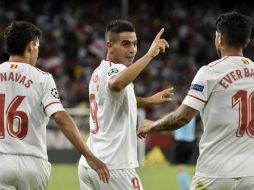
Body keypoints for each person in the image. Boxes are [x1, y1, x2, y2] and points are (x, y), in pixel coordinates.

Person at [138, 12, 254, 189]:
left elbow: (182, 118)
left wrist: (151, 126)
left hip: (215, 173)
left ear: (220, 39)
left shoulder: (210, 72)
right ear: (246, 42)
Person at [0, 21, 110, 190]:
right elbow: (60, 117)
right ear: (31, 46)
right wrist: (88, 155)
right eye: (37, 47)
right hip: (33, 164)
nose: (37, 52)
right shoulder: (42, 78)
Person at [78, 20, 172, 190]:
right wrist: (150, 55)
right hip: (113, 166)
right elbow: (116, 84)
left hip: (89, 164)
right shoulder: (115, 71)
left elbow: (117, 97)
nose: (132, 50)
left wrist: (149, 100)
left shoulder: (99, 71)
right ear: (109, 45)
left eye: (135, 44)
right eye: (126, 44)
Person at [174, 114, 196, 190]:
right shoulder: (193, 115)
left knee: (180, 168)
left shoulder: (180, 115)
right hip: (191, 143)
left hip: (181, 142)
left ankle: (186, 187)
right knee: (185, 168)